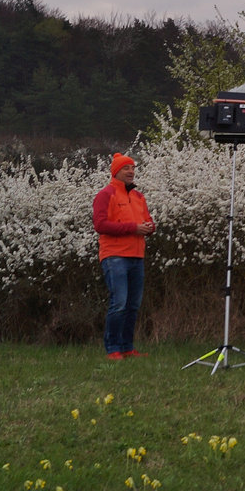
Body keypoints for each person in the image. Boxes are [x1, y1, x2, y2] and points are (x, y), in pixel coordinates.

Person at [92, 153, 156, 360]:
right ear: (116, 172)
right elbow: (100, 225)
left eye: (133, 168)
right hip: (115, 255)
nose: (131, 171)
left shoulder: (138, 197)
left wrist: (149, 228)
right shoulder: (106, 195)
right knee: (119, 303)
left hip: (137, 256)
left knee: (133, 304)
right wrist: (134, 228)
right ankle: (112, 349)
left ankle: (127, 347)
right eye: (126, 168)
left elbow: (149, 222)